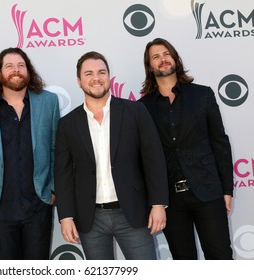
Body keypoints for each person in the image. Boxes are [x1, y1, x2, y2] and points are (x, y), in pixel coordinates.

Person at [54, 51, 169, 260]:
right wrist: (66, 216)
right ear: (79, 81)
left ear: (109, 77)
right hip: (90, 218)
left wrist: (158, 204)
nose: (96, 78)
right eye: (88, 73)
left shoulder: (135, 112)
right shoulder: (67, 124)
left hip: (132, 212)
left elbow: (154, 160)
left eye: (101, 72)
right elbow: (62, 174)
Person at [139, 38, 234, 260]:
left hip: (207, 192)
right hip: (170, 200)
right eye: (155, 57)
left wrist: (227, 190)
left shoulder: (203, 95)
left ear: (175, 58)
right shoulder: (142, 108)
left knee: (221, 258)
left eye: (166, 54)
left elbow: (219, 143)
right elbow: (145, 159)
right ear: (150, 66)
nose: (162, 59)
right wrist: (154, 201)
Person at [0, 47, 60, 260]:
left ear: (28, 71)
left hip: (38, 207)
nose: (16, 70)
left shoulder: (48, 102)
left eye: (21, 65)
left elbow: (57, 148)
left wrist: (53, 189)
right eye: (9, 66)